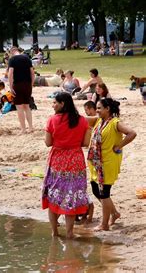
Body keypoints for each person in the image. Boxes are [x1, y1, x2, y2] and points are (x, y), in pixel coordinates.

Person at [42, 92, 90, 238]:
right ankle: (70, 233)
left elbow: (48, 143)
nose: (53, 105)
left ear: (62, 104)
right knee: (72, 197)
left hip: (57, 160)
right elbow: (86, 143)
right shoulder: (82, 121)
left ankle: (54, 232)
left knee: (54, 196)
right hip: (76, 160)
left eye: (55, 102)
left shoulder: (52, 120)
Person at [87, 98, 136, 231]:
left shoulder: (115, 123)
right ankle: (114, 213)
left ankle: (104, 225)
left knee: (104, 193)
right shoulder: (99, 121)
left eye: (99, 108)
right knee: (96, 189)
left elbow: (132, 133)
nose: (96, 111)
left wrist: (119, 146)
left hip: (107, 163)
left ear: (107, 109)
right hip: (96, 163)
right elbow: (82, 119)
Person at [8, 47, 35, 133]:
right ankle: (30, 127)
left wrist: (10, 86)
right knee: (27, 106)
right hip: (27, 84)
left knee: (19, 107)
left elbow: (10, 73)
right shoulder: (27, 58)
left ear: (12, 52)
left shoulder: (12, 59)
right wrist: (31, 84)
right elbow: (32, 73)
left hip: (17, 84)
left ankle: (23, 129)